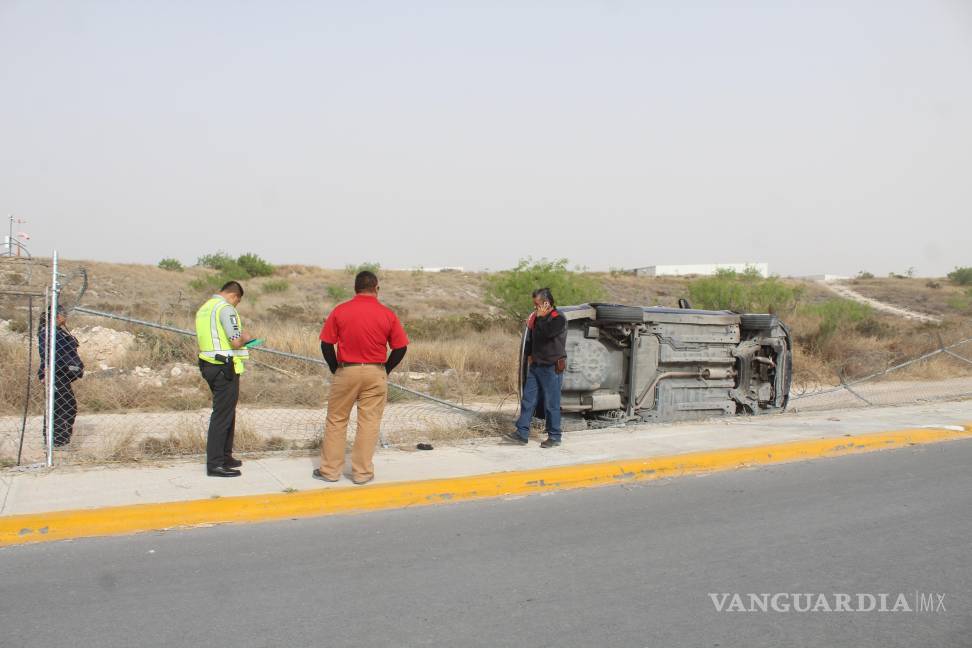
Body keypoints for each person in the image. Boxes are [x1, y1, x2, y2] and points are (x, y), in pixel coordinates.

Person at [315, 271, 408, 485]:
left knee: (337, 420)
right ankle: (362, 473)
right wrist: (385, 369)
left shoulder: (340, 310)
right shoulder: (387, 314)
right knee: (369, 423)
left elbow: (326, 344)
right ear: (376, 288)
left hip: (347, 370)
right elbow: (401, 347)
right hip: (375, 372)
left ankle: (330, 471)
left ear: (355, 288)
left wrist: (336, 369)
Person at [195, 281, 255, 477]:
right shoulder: (226, 309)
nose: (236, 305)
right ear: (234, 296)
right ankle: (215, 464)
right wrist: (246, 337)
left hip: (209, 364)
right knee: (222, 416)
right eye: (238, 301)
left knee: (226, 412)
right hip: (224, 367)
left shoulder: (205, 308)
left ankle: (225, 456)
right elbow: (236, 341)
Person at [505, 287, 567, 448]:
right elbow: (531, 339)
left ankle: (555, 436)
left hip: (551, 368)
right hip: (536, 366)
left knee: (551, 404)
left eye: (537, 304)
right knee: (528, 400)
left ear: (546, 303)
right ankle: (522, 433)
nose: (535, 307)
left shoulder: (558, 318)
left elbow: (547, 334)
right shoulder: (536, 318)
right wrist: (528, 355)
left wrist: (540, 318)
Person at [37, 305, 84, 447]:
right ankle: (56, 442)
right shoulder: (48, 332)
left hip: (62, 375)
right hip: (54, 374)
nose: (66, 318)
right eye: (64, 315)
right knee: (62, 406)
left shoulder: (58, 332)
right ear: (57, 316)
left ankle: (57, 441)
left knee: (65, 405)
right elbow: (49, 355)